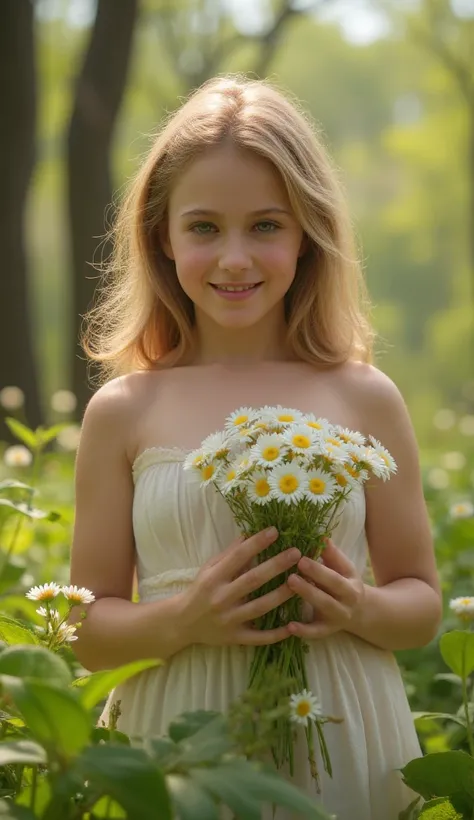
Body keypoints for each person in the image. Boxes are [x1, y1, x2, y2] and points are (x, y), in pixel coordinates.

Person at [69, 75, 442, 820]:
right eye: (204, 227)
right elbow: (87, 628)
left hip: (341, 728)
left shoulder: (364, 396)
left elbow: (422, 604)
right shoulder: (123, 410)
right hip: (178, 739)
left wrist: (358, 606)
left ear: (308, 233)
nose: (235, 258)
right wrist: (183, 621)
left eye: (266, 226)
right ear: (161, 237)